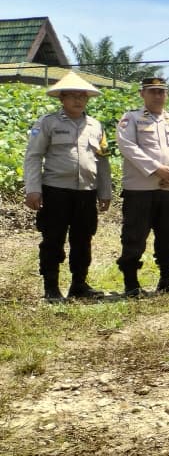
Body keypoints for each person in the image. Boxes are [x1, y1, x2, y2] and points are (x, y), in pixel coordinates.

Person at [23, 71, 112, 302]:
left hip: (86, 193)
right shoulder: (48, 123)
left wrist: (105, 192)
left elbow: (103, 161)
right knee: (53, 239)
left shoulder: (96, 126)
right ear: (61, 98)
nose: (78, 100)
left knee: (83, 240)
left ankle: (79, 285)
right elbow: (33, 156)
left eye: (82, 96)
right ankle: (51, 287)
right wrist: (33, 189)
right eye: (72, 96)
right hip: (55, 192)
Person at [116, 76, 169, 297]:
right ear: (143, 94)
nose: (158, 96)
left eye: (162, 92)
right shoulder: (131, 118)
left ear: (167, 94)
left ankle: (167, 279)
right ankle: (131, 283)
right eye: (152, 91)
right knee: (134, 235)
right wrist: (156, 169)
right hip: (140, 188)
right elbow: (127, 146)